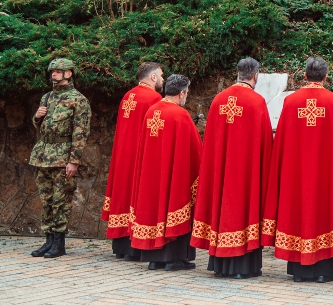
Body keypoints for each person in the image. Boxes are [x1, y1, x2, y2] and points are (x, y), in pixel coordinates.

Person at [262, 56, 333, 283]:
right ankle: (324, 271)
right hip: (326, 174)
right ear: (325, 76)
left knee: (297, 212)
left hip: (296, 174)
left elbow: (281, 141)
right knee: (324, 212)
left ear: (304, 75)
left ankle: (299, 270)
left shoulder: (291, 101)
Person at [191, 57, 274, 279]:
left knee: (223, 207)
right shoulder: (256, 102)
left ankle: (220, 265)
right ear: (255, 75)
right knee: (244, 209)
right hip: (246, 172)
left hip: (222, 170)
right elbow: (266, 142)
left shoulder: (218, 100)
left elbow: (210, 142)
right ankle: (244, 267)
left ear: (237, 73)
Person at [128, 74, 203, 271]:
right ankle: (174, 259)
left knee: (154, 208)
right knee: (172, 202)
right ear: (182, 93)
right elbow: (195, 150)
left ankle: (154, 258)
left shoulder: (151, 111)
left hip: (151, 174)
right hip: (173, 175)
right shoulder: (180, 115)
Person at [29, 58, 91, 259]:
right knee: (46, 199)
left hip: (63, 157)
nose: (53, 74)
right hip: (43, 156)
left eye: (58, 71)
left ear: (69, 73)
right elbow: (41, 127)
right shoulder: (47, 97)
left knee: (61, 200)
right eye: (52, 71)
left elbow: (80, 133)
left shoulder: (78, 100)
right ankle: (48, 241)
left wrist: (74, 160)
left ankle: (59, 243)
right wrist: (37, 117)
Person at [102, 62, 164, 261]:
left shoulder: (128, 95)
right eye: (161, 75)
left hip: (123, 155)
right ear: (153, 77)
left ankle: (121, 247)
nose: (162, 79)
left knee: (123, 194)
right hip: (140, 155)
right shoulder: (154, 98)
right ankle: (135, 247)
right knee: (136, 196)